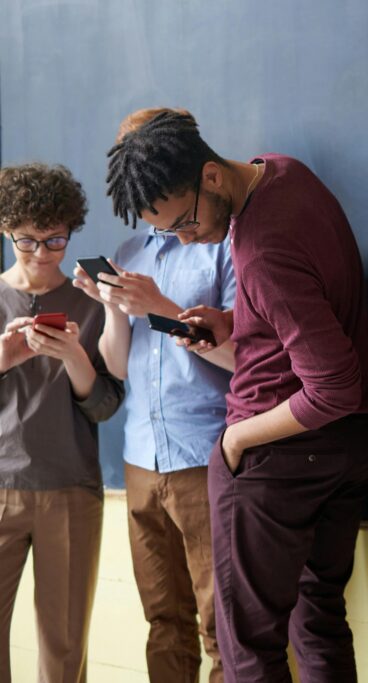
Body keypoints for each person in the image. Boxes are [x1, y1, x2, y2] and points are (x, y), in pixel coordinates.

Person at [104, 110, 368, 683]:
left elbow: (333, 387)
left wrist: (237, 438)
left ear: (211, 176)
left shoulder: (259, 248)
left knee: (247, 652)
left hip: (280, 453)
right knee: (318, 620)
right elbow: (308, 306)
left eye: (184, 223)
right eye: (168, 233)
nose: (185, 239)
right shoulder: (284, 172)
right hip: (354, 443)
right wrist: (237, 321)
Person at [72, 107, 235, 683]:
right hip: (141, 459)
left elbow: (245, 359)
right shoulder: (130, 251)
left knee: (223, 625)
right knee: (163, 620)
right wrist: (114, 307)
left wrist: (162, 307)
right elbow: (117, 365)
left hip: (206, 456)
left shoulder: (222, 244)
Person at [0, 163, 124, 681]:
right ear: (7, 230)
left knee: (64, 649)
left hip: (70, 489)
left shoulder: (90, 301)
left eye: (55, 240)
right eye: (27, 241)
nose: (42, 255)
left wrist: (74, 356)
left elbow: (105, 405)